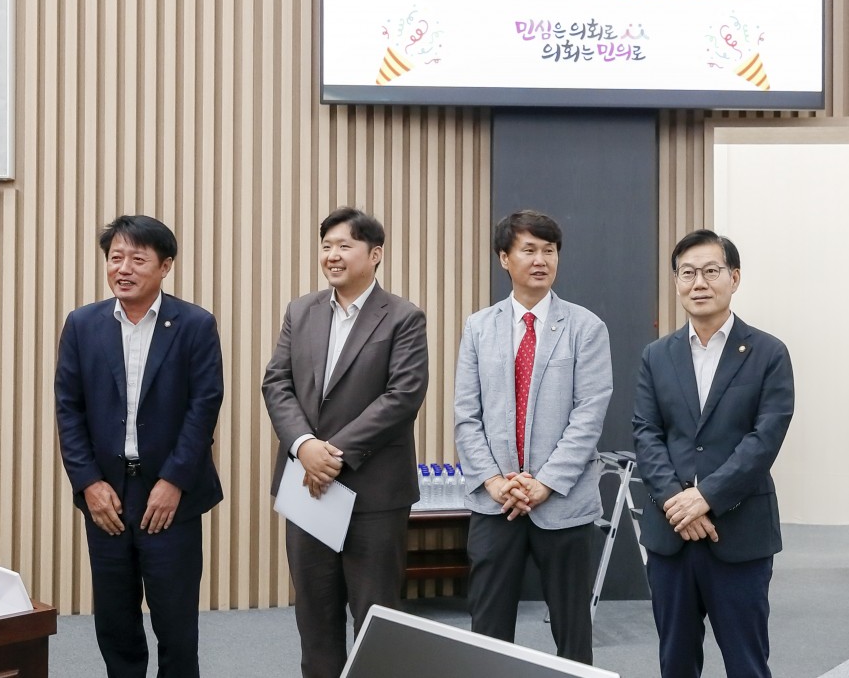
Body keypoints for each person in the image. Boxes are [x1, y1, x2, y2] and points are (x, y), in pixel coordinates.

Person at [261, 207, 429, 678]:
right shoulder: (301, 311)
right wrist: (303, 446)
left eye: (344, 246)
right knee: (314, 616)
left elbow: (402, 396)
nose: (332, 255)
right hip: (307, 487)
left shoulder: (403, 317)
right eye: (326, 246)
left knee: (376, 618)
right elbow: (277, 383)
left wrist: (330, 454)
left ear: (375, 255)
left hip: (373, 493)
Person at [55, 215, 224, 678]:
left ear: (165, 266)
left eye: (137, 259)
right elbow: (68, 409)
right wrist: (89, 483)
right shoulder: (83, 324)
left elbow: (204, 408)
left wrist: (174, 481)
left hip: (171, 495)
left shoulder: (194, 324)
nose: (123, 268)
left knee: (175, 623)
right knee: (115, 621)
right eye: (115, 258)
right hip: (106, 494)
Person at [633, 229, 795, 678]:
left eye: (710, 271)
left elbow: (765, 439)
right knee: (675, 662)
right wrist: (677, 502)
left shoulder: (768, 353)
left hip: (739, 532)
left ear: (734, 278)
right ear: (676, 282)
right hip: (671, 534)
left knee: (747, 664)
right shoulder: (656, 355)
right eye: (687, 273)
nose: (698, 283)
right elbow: (646, 433)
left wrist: (706, 497)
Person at [453, 209, 612, 665]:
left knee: (572, 632)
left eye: (549, 250)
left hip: (563, 501)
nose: (541, 260)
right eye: (529, 250)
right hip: (495, 501)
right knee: (488, 631)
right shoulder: (479, 327)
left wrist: (544, 483)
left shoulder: (586, 327)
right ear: (505, 258)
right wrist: (493, 481)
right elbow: (466, 414)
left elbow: (589, 415)